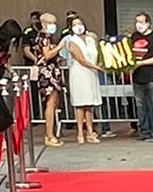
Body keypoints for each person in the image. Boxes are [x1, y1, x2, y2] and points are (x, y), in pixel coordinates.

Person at [63, 13, 102, 142]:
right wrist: (95, 67)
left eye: (79, 24)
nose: (78, 27)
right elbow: (80, 59)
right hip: (79, 73)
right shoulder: (72, 41)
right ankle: (80, 132)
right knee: (80, 104)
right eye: (74, 25)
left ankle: (90, 131)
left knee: (89, 104)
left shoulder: (91, 39)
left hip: (91, 74)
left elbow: (97, 53)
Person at [31, 13, 65, 145]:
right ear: (44, 23)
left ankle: (52, 132)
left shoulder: (47, 37)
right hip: (47, 73)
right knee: (50, 103)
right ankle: (49, 135)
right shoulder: (43, 37)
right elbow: (46, 55)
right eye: (52, 23)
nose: (54, 26)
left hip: (51, 71)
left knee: (54, 101)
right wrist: (59, 47)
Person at [128, 11, 153, 141]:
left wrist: (141, 63)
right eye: (137, 22)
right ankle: (144, 131)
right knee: (140, 105)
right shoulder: (134, 37)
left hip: (152, 77)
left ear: (148, 23)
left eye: (141, 22)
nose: (138, 25)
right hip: (137, 78)